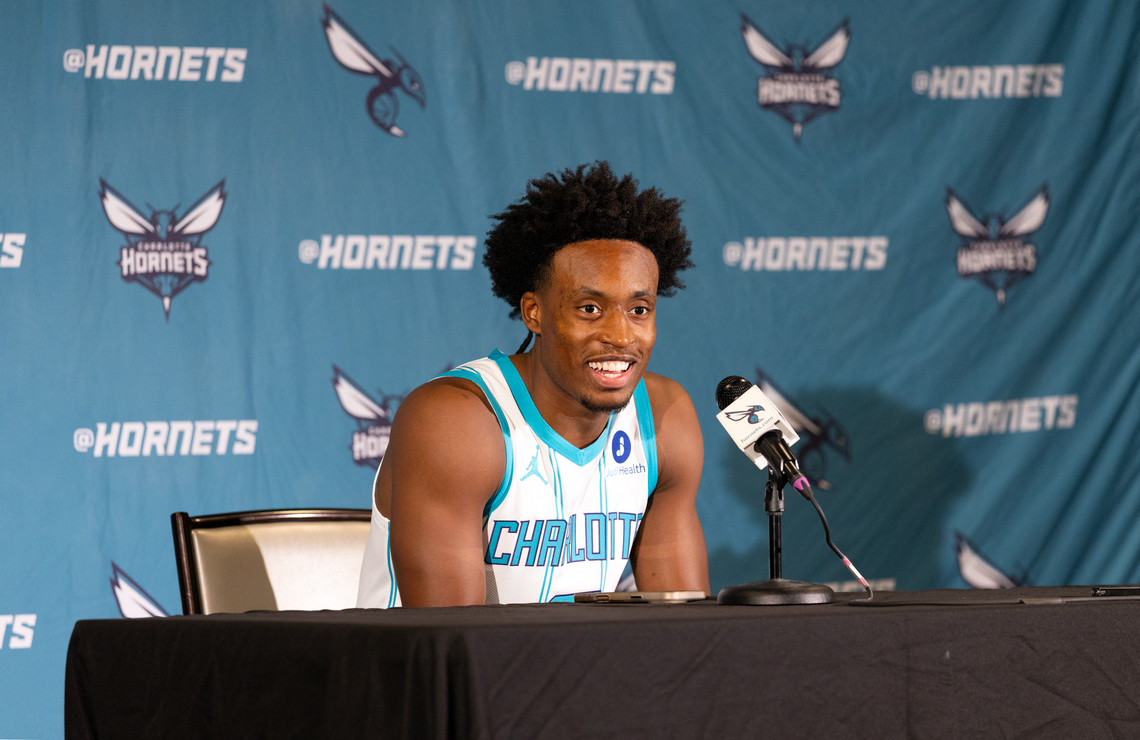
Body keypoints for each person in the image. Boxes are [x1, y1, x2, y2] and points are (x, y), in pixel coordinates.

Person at [356, 161, 709, 607]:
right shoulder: (457, 421)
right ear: (534, 313)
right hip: (435, 674)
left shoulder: (664, 417)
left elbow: (687, 630)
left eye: (639, 310)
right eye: (589, 309)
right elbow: (453, 647)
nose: (622, 336)